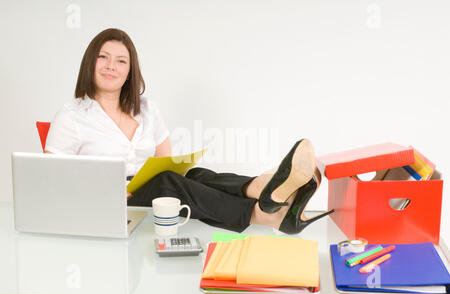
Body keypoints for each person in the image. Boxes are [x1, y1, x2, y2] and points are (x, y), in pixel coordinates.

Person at [45, 28, 333, 234]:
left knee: (194, 175)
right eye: (103, 57)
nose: (111, 66)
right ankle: (262, 213)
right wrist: (109, 190)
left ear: (130, 71)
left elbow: (165, 161)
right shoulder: (71, 116)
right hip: (112, 203)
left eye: (121, 61)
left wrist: (171, 171)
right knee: (168, 183)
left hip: (149, 186)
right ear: (90, 63)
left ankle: (260, 187)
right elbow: (53, 182)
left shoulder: (146, 109)